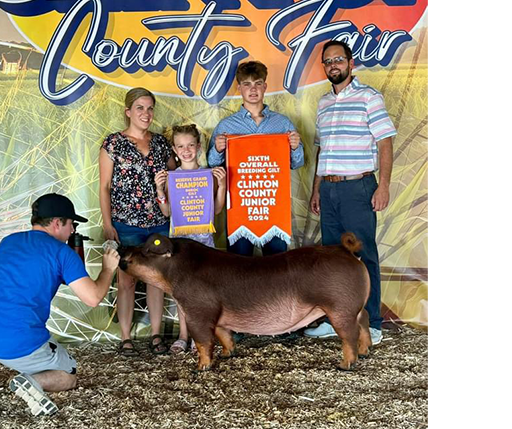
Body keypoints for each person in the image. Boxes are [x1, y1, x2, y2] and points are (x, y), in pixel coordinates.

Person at [0, 193, 121, 416]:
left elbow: (37, 273)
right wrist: (108, 268)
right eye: (71, 224)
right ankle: (31, 381)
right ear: (56, 223)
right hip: (19, 342)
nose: (72, 230)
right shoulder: (62, 253)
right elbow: (92, 298)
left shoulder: (8, 241)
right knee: (69, 374)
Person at [304, 40, 397, 346]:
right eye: (328, 61)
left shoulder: (369, 97)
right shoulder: (323, 103)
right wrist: (317, 189)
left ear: (350, 63)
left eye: (338, 60)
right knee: (333, 260)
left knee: (363, 255)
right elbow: (322, 151)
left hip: (358, 187)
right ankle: (337, 322)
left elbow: (385, 143)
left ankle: (372, 324)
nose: (333, 65)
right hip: (329, 188)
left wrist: (382, 186)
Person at [98, 87, 176, 357]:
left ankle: (156, 335)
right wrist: (108, 223)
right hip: (126, 223)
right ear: (128, 111)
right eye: (140, 108)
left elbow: (176, 182)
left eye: (150, 108)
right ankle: (126, 338)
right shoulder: (113, 144)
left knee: (156, 280)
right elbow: (105, 186)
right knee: (126, 281)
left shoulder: (161, 144)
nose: (146, 113)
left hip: (158, 222)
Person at [207, 60, 304, 256]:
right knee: (240, 267)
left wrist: (295, 147)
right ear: (239, 88)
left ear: (265, 87)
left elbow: (297, 162)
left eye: (258, 83)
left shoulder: (282, 123)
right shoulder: (227, 126)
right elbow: (212, 164)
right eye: (247, 84)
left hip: (274, 207)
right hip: (241, 208)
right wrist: (218, 149)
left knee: (276, 266)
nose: (253, 89)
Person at [153, 124, 226, 353]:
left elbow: (216, 210)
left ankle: (199, 336)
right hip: (180, 243)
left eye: (190, 145)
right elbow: (166, 213)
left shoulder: (208, 174)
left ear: (199, 146)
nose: (186, 150)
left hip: (203, 243)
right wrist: (160, 190)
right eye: (181, 146)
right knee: (181, 292)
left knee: (204, 291)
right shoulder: (171, 178)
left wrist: (222, 185)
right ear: (175, 149)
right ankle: (183, 335)